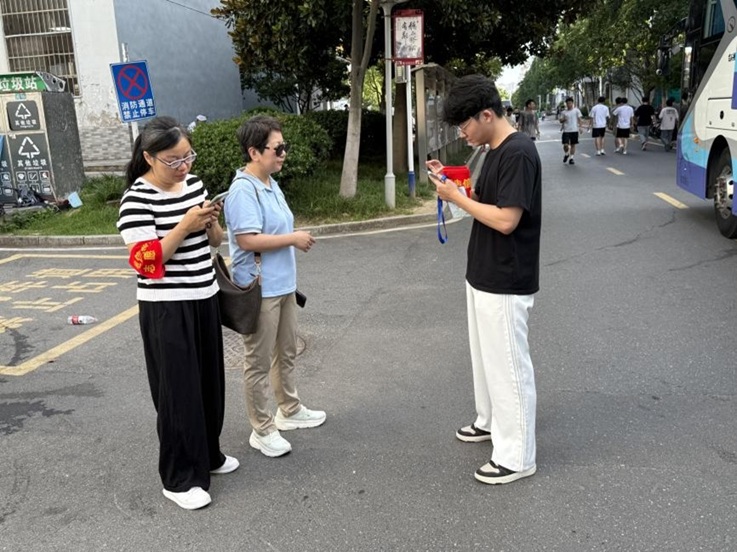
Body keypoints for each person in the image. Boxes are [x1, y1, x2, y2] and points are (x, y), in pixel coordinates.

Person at [116, 116, 238, 511]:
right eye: (173, 160)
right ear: (149, 157)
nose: (183, 166)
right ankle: (179, 477)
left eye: (188, 156)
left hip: (205, 295)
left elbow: (214, 242)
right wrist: (184, 225)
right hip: (165, 306)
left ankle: (209, 455)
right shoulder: (136, 200)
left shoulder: (195, 184)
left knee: (209, 384)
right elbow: (146, 263)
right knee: (177, 393)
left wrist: (211, 222)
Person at [426, 75, 541, 485]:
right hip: (483, 271)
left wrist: (457, 198)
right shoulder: (494, 150)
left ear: (487, 115)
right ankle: (490, 420)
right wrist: (453, 186)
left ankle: (517, 456)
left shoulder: (518, 153)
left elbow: (507, 220)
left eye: (465, 124)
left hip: (506, 277)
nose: (462, 133)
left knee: (508, 367)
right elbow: (484, 204)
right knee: (486, 360)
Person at [223, 115, 326, 459]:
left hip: (283, 285)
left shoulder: (270, 182)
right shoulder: (243, 190)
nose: (283, 154)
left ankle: (289, 410)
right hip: (260, 289)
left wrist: (290, 237)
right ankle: (262, 428)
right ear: (254, 152)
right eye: (277, 148)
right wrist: (293, 238)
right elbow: (247, 240)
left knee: (286, 352)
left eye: (285, 147)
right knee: (258, 361)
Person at [559, 97, 583, 165]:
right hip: (566, 131)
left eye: (570, 103)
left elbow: (580, 119)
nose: (569, 104)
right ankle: (566, 154)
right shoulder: (564, 112)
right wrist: (564, 119)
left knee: (573, 144)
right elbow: (560, 120)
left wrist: (580, 127)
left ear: (572, 103)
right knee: (565, 145)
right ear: (566, 104)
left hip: (574, 130)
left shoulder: (576, 111)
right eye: (567, 103)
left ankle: (571, 158)